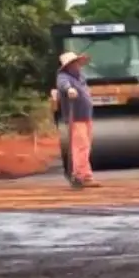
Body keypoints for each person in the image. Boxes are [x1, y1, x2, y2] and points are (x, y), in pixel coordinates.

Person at [56, 51, 99, 188]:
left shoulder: (80, 77)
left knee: (86, 146)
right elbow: (63, 85)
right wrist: (69, 90)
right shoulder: (63, 77)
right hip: (75, 118)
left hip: (86, 116)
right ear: (68, 66)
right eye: (74, 63)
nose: (77, 65)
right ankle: (79, 175)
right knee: (80, 146)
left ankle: (86, 175)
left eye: (77, 62)